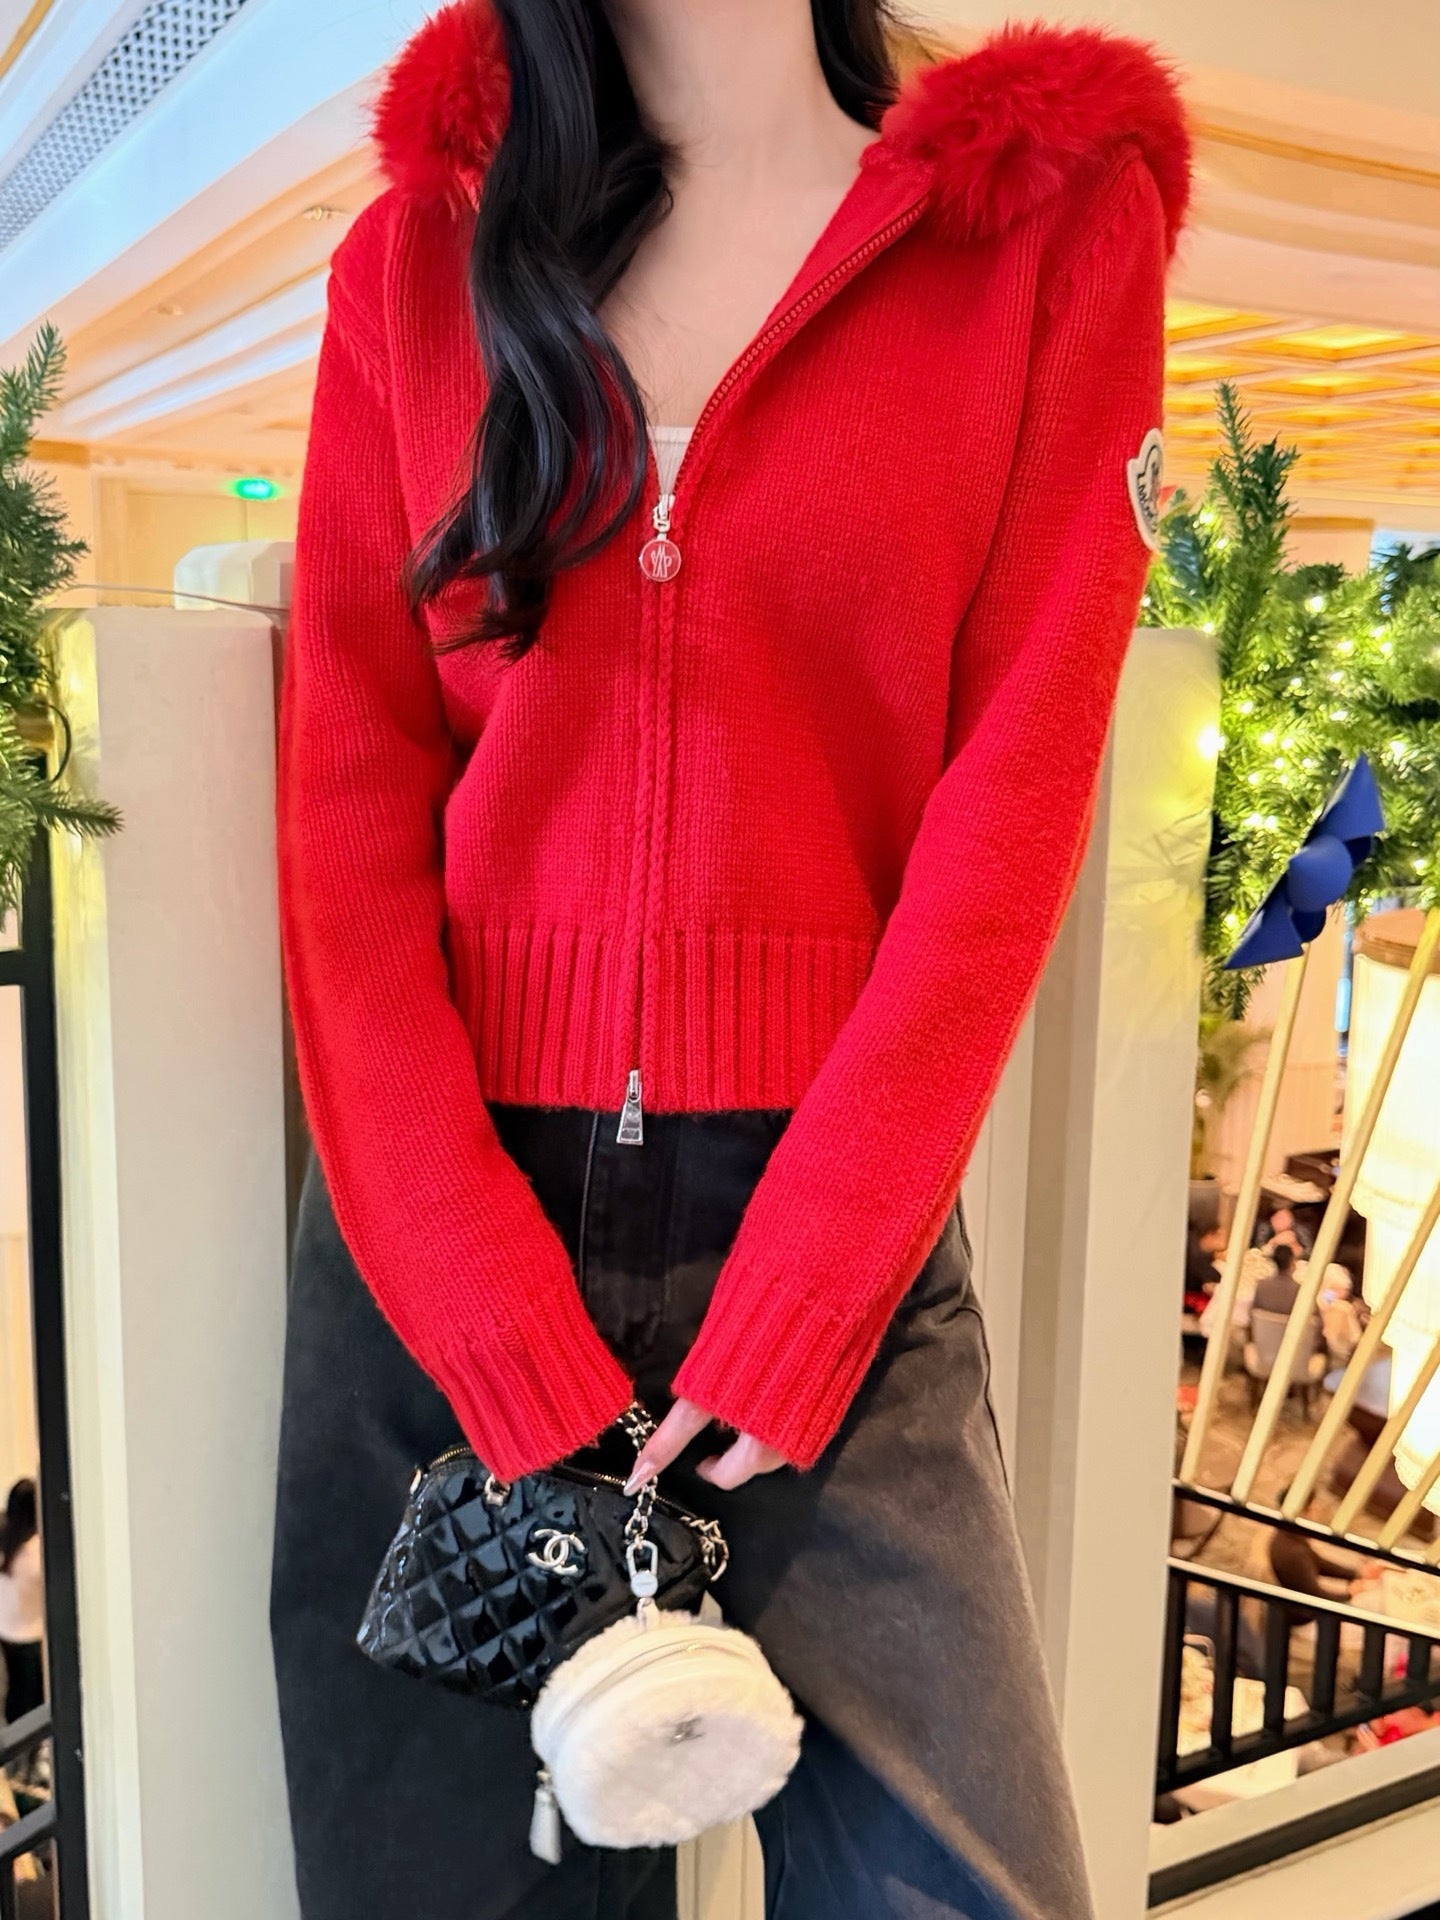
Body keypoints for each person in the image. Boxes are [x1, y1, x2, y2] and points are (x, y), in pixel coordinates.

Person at [273, 4, 1189, 1917]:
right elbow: (348, 814)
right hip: (449, 1248)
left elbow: (1011, 801)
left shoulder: (1039, 237)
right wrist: (482, 1311)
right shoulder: (413, 265)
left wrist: (813, 1287)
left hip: (823, 1237)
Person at [0, 1480, 44, 1726]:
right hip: (30, 1631)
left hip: (6, 1626)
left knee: (15, 1684)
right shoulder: (37, 1549)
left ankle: (13, 1731)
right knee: (33, 1692)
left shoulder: (6, 1538)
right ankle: (31, 1739)